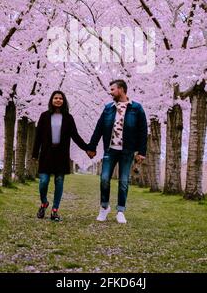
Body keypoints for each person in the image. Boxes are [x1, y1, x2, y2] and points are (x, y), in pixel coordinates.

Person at [86, 79, 148, 224]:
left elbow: (143, 131)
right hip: (110, 149)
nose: (110, 92)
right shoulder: (108, 108)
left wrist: (141, 151)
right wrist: (92, 147)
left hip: (127, 151)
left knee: (124, 181)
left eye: (113, 89)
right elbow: (99, 128)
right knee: (105, 178)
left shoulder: (136, 108)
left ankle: (120, 211)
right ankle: (104, 207)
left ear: (121, 89)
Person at [32, 90, 88, 221]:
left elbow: (75, 136)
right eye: (56, 98)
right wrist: (35, 154)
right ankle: (44, 202)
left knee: (59, 181)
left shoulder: (68, 118)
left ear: (64, 101)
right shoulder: (44, 116)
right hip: (46, 154)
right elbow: (38, 137)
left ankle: (55, 210)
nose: (58, 100)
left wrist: (87, 148)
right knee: (44, 181)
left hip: (61, 155)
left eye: (61, 98)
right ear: (51, 100)